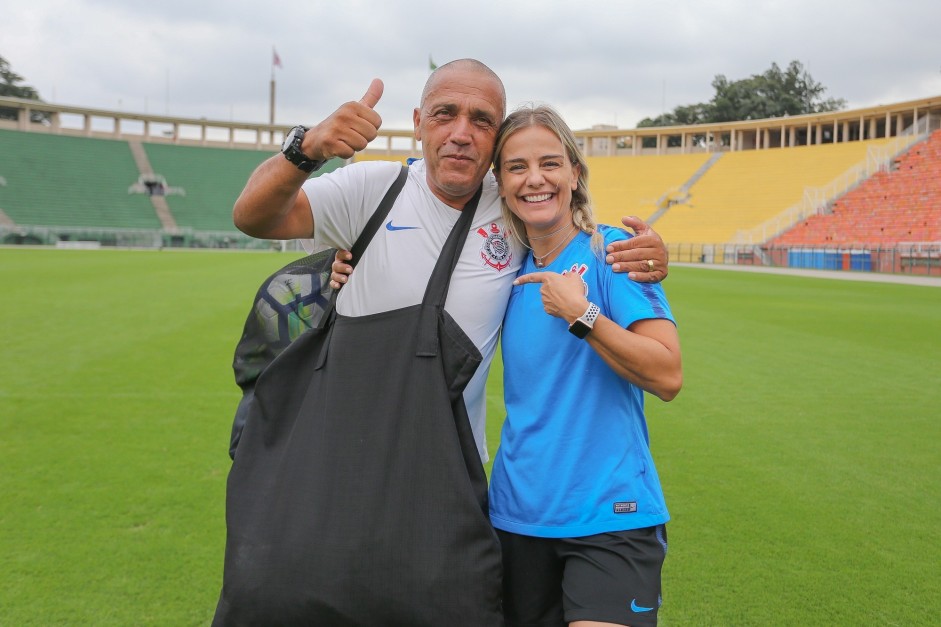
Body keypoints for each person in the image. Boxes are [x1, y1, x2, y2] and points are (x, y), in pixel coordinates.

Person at [218, 59, 671, 625]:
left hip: (450, 478)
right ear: (417, 122)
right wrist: (304, 149)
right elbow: (254, 216)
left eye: (482, 120)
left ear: (496, 137)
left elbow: (575, 238)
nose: (461, 132)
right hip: (346, 462)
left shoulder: (509, 208)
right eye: (445, 114)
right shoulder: (372, 189)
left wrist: (647, 255)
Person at [487, 105, 682, 627]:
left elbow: (667, 375)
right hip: (515, 517)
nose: (535, 179)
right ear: (500, 183)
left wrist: (583, 314)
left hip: (610, 515)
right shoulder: (499, 270)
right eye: (516, 167)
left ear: (575, 173)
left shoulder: (613, 253)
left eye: (550, 163)